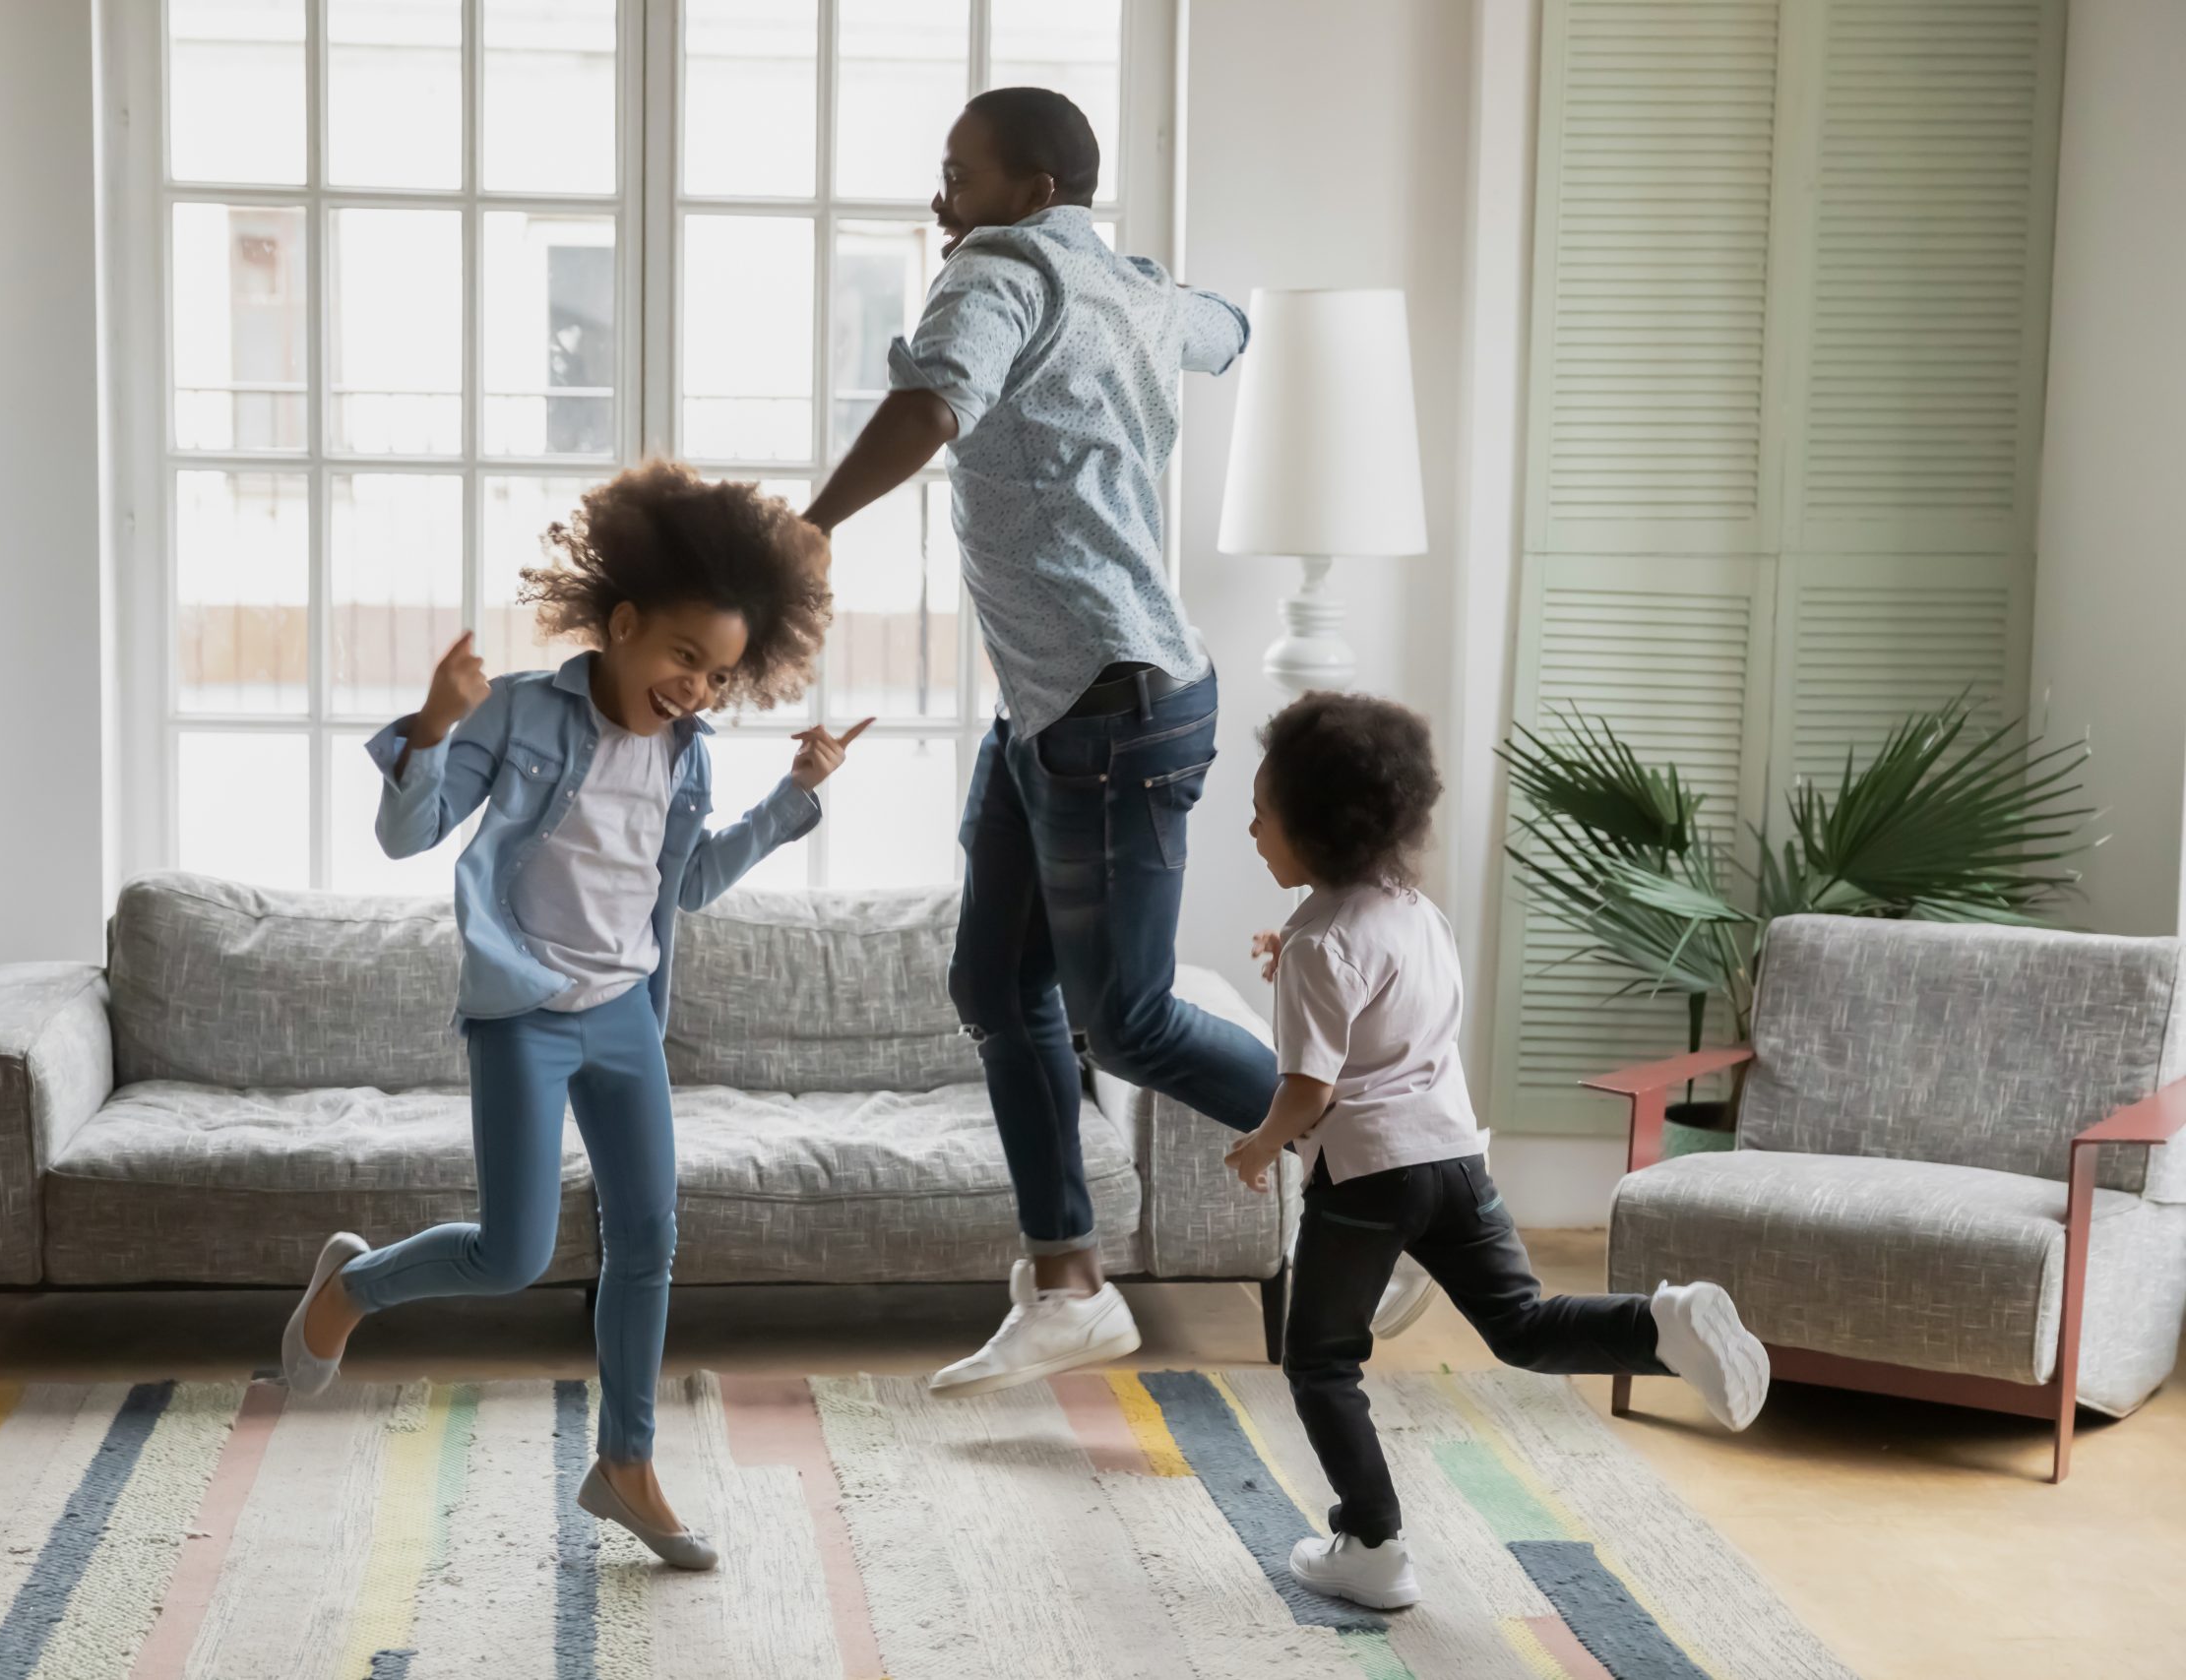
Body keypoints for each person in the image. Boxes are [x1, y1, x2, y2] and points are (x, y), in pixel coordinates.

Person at [280, 464, 863, 1572]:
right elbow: (410, 837)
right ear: (627, 624)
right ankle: (351, 1288)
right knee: (512, 1254)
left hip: (626, 1017)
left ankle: (627, 1463)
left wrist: (796, 798)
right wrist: (435, 729)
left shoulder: (686, 759)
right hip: (527, 1016)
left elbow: (685, 884)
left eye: (719, 674)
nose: (696, 687)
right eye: (683, 657)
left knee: (648, 1242)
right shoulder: (520, 714)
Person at [803, 86, 1271, 1397]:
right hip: (1062, 708)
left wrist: (813, 523)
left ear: (1032, 191)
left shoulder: (998, 269)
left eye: (959, 173)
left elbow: (936, 398)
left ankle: (1374, 1155)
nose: (940, 200)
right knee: (996, 990)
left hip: (1113, 710)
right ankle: (1068, 1280)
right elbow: (1227, 331)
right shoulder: (1124, 286)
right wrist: (1222, 314)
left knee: (1120, 1020)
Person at [1223, 692, 1769, 1611]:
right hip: (1453, 1162)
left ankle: (1373, 1543)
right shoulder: (1411, 910)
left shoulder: (1322, 944)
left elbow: (1311, 1089)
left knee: (1319, 1360)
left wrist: (1258, 1146)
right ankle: (1659, 1326)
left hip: (1365, 1180)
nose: (1249, 827)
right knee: (1520, 1324)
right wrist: (1299, 942)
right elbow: (1378, 982)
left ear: (1316, 831)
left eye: (1262, 813)